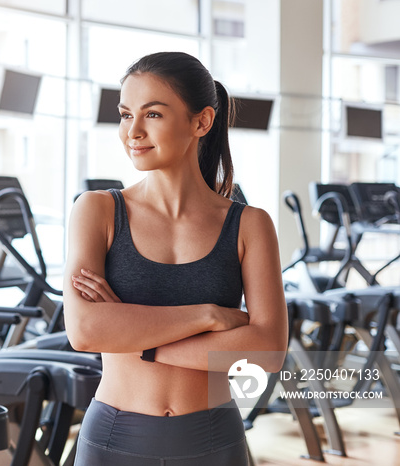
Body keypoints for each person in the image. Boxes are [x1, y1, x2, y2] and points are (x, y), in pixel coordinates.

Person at [64, 51, 288, 465]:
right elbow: (85, 330)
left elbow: (267, 352)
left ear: (201, 121)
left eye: (152, 115)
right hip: (114, 437)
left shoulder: (250, 224)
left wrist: (138, 340)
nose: (132, 131)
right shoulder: (97, 210)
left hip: (212, 437)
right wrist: (207, 316)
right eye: (125, 114)